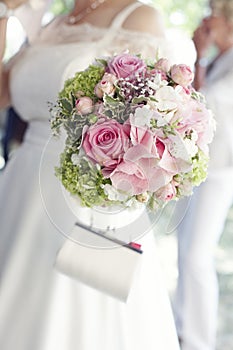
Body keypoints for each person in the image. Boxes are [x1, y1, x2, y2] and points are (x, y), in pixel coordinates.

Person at [0, 1, 180, 349]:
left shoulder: (139, 17)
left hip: (93, 204)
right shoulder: (55, 23)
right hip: (18, 193)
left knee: (84, 323)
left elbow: (159, 123)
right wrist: (4, 13)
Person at [173, 1, 233, 349]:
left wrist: (198, 55)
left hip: (222, 170)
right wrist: (202, 58)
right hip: (203, 166)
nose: (206, 17)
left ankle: (199, 340)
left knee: (197, 253)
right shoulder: (221, 59)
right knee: (184, 249)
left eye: (213, 10)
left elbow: (203, 101)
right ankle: (185, 325)